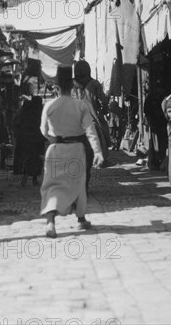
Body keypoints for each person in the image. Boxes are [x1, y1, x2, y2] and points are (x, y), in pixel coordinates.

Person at [40, 65, 104, 238]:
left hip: (55, 149)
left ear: (57, 87)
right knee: (78, 185)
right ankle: (81, 219)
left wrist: (53, 139)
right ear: (72, 86)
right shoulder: (80, 105)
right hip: (76, 149)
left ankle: (50, 223)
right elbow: (90, 131)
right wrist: (97, 152)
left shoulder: (49, 106)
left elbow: (43, 130)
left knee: (52, 185)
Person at [72, 60, 111, 163]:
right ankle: (101, 159)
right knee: (102, 134)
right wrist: (105, 110)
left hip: (76, 118)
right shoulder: (94, 84)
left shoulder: (71, 84)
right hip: (93, 117)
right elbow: (103, 101)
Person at [13, 96, 46, 187]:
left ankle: (25, 179)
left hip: (27, 140)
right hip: (38, 140)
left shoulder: (27, 110)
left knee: (28, 159)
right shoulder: (40, 111)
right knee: (36, 160)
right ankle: (34, 179)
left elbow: (18, 122)